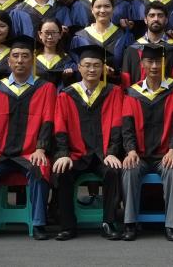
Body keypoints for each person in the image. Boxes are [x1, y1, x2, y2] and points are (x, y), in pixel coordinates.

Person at [0, 37, 57, 240]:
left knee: (40, 168)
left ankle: (38, 223)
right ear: (8, 61)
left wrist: (40, 149)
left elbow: (48, 121)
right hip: (1, 154)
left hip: (30, 153)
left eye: (25, 56)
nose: (20, 60)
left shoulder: (46, 88)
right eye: (15, 56)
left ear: (32, 60)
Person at [52, 44, 125, 241]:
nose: (91, 69)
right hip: (77, 154)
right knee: (62, 172)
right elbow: (60, 128)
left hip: (103, 154)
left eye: (96, 65)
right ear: (79, 68)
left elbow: (117, 125)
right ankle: (67, 226)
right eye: (87, 65)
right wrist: (63, 154)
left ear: (103, 68)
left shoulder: (113, 92)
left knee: (113, 171)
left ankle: (108, 223)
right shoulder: (67, 94)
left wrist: (112, 152)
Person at [121, 41, 173, 241]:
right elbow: (127, 127)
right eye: (150, 62)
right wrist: (131, 151)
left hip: (165, 154)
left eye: (158, 61)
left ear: (164, 63)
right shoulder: (132, 93)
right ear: (142, 64)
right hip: (140, 155)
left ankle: (172, 224)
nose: (154, 66)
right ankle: (130, 223)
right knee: (129, 169)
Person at [120, 2, 173, 87]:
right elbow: (126, 82)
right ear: (145, 20)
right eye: (152, 15)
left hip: (170, 95)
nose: (156, 19)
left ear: (166, 20)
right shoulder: (132, 50)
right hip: (138, 95)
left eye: (160, 15)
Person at [70, 0, 134, 79]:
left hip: (116, 85)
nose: (102, 10)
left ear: (113, 9)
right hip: (88, 86)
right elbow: (76, 68)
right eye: (98, 7)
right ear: (92, 9)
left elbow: (129, 68)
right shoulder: (80, 38)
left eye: (107, 6)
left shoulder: (124, 36)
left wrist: (115, 74)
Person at [34, 18, 74, 87]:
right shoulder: (32, 58)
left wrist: (66, 77)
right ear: (40, 34)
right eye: (46, 33)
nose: (50, 37)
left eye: (54, 33)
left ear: (60, 34)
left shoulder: (67, 60)